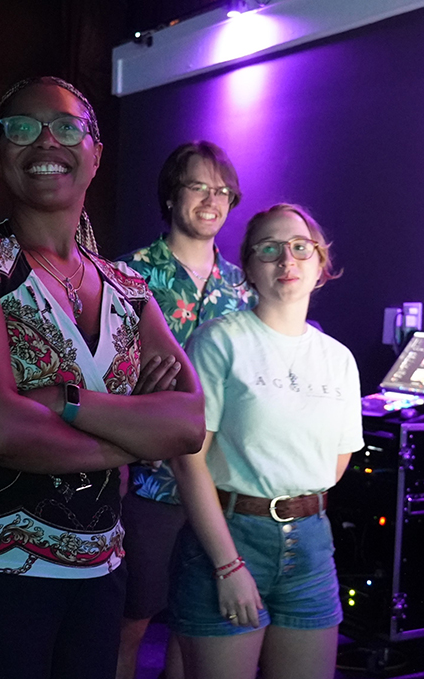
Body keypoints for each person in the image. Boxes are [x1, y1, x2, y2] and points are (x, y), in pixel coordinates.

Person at [0, 76, 205, 679]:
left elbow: (187, 424)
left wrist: (64, 399)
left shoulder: (129, 289)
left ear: (95, 153)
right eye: (21, 129)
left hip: (97, 575)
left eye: (64, 127)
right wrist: (132, 438)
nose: (44, 142)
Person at [169, 204, 363, 679]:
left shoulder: (338, 360)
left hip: (312, 544)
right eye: (270, 249)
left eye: (301, 248)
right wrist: (227, 565)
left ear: (321, 265)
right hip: (231, 535)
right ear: (250, 268)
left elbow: (335, 464)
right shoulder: (219, 342)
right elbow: (187, 461)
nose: (287, 260)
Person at [117, 141, 255, 679]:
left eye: (222, 191)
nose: (211, 200)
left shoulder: (243, 288)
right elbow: (94, 374)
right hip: (148, 485)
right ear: (173, 196)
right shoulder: (125, 275)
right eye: (198, 186)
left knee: (195, 625)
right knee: (129, 623)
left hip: (223, 489)